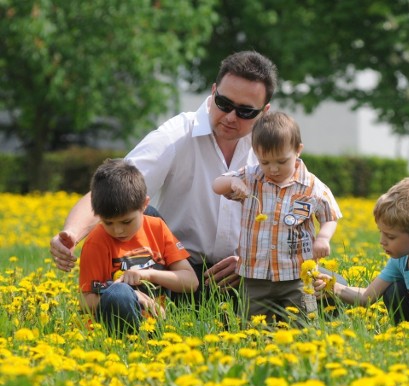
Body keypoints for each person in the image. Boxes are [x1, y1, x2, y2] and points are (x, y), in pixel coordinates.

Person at [50, 51, 278, 308]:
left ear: (264, 111)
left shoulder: (273, 149)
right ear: (213, 91)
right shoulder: (177, 134)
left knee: (322, 283)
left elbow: (293, 220)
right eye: (224, 103)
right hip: (175, 271)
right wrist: (71, 233)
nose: (230, 117)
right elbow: (115, 187)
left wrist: (254, 261)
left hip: (246, 273)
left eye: (245, 111)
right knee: (145, 212)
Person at [213, 111, 341, 322]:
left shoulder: (311, 186)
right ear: (256, 154)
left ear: (298, 150)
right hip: (255, 276)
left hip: (297, 276)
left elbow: (330, 216)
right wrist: (232, 183)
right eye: (265, 162)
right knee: (252, 325)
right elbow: (217, 184)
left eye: (282, 161)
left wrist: (323, 238)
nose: (273, 169)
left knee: (303, 322)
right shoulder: (251, 176)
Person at [313, 177, 409, 324]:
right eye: (380, 232)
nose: (382, 241)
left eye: (390, 236)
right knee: (393, 290)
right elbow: (367, 298)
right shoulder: (402, 257)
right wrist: (334, 287)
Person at [78, 159, 198, 333]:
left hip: (157, 325)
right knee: (119, 293)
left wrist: (147, 274)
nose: (118, 230)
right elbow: (85, 301)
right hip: (113, 329)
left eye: (126, 221)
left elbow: (191, 281)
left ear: (144, 204)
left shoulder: (157, 227)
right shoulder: (96, 241)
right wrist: (131, 295)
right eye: (108, 223)